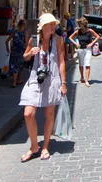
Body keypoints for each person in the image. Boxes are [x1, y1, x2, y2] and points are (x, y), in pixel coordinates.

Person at [19, 13, 67, 162]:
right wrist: (30, 53)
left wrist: (63, 83)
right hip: (34, 80)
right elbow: (24, 57)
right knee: (28, 113)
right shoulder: (34, 39)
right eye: (50, 24)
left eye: (54, 24)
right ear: (43, 26)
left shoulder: (58, 40)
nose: (53, 27)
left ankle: (45, 146)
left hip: (51, 80)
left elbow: (61, 61)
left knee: (49, 114)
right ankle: (34, 146)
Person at [69, 17, 100, 87]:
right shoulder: (78, 31)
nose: (79, 25)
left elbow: (97, 36)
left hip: (88, 50)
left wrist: (92, 43)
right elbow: (70, 37)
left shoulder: (90, 31)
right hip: (80, 49)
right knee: (81, 65)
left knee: (87, 64)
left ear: (83, 24)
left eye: (80, 23)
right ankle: (82, 77)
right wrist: (76, 43)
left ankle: (86, 81)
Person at [6, 20, 27, 88]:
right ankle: (18, 80)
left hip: (14, 52)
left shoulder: (14, 32)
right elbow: (26, 43)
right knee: (20, 66)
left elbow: (6, 41)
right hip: (21, 52)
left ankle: (15, 82)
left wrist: (8, 48)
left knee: (14, 66)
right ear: (24, 25)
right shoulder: (25, 32)